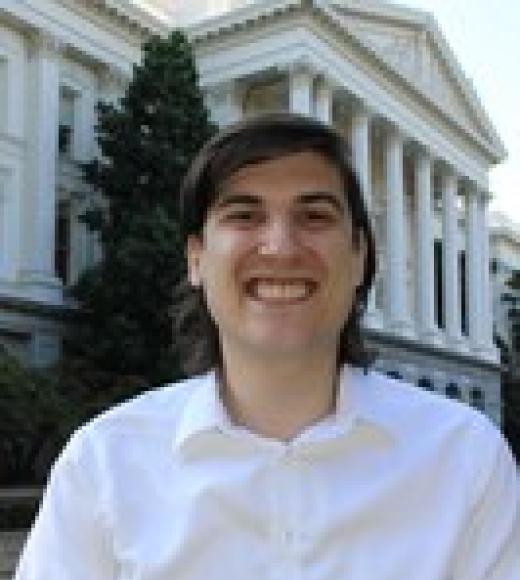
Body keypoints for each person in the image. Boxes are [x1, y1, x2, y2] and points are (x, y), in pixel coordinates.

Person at [15, 113, 519, 579]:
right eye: (244, 215)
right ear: (196, 259)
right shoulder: (103, 464)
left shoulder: (464, 458)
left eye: (314, 216)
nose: (280, 247)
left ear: (360, 256)